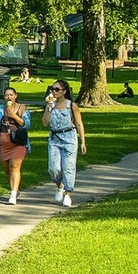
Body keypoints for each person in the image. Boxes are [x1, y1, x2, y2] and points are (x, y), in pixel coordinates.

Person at [43, 78, 87, 207]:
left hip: (69, 138)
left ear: (64, 91)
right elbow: (45, 123)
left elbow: (79, 124)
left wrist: (82, 141)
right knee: (53, 169)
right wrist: (48, 107)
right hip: (54, 138)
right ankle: (59, 186)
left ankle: (68, 194)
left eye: (57, 89)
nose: (54, 92)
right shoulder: (51, 105)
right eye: (53, 89)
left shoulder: (71, 105)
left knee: (68, 167)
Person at [0, 87, 30, 204]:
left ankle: (13, 194)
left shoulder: (22, 108)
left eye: (11, 95)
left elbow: (26, 124)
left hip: (18, 143)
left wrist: (13, 115)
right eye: (7, 95)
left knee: (14, 167)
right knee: (7, 170)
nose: (9, 97)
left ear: (15, 96)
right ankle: (15, 189)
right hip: (3, 144)